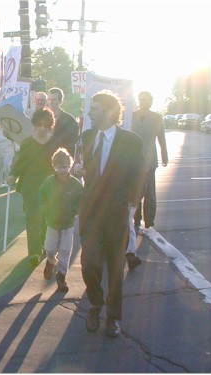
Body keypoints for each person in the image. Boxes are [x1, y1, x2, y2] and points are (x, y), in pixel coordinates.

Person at [74, 90, 144, 338]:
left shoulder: (131, 141)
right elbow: (77, 164)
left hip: (116, 214)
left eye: (94, 109)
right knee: (89, 264)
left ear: (109, 111)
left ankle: (113, 318)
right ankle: (95, 302)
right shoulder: (86, 136)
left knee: (115, 269)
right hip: (91, 211)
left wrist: (132, 205)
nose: (90, 113)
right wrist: (77, 169)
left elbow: (139, 175)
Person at [7, 108, 61, 266]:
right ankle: (34, 252)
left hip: (50, 186)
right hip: (30, 185)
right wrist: (12, 174)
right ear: (34, 125)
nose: (42, 128)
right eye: (39, 125)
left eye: (46, 125)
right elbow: (20, 162)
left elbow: (59, 164)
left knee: (46, 217)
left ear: (50, 125)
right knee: (33, 217)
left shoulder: (55, 143)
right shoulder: (27, 142)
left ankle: (44, 245)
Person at [39, 148, 83, 292]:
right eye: (59, 167)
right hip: (52, 221)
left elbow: (81, 200)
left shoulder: (75, 184)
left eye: (64, 167)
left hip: (68, 223)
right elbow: (42, 197)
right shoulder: (49, 182)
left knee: (65, 250)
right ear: (54, 166)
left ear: (69, 166)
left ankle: (61, 275)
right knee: (50, 248)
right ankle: (51, 261)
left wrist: (74, 211)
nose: (62, 170)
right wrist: (45, 209)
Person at [131, 91, 168, 231]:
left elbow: (161, 138)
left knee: (149, 193)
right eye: (140, 99)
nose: (142, 102)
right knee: (135, 191)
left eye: (145, 100)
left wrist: (164, 156)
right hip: (134, 159)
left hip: (149, 160)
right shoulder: (132, 116)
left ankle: (149, 221)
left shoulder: (156, 117)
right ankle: (136, 219)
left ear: (151, 101)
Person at [47, 87, 80, 157]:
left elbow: (72, 143)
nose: (51, 102)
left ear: (60, 101)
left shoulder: (69, 121)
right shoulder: (42, 118)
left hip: (62, 161)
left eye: (54, 99)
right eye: (49, 99)